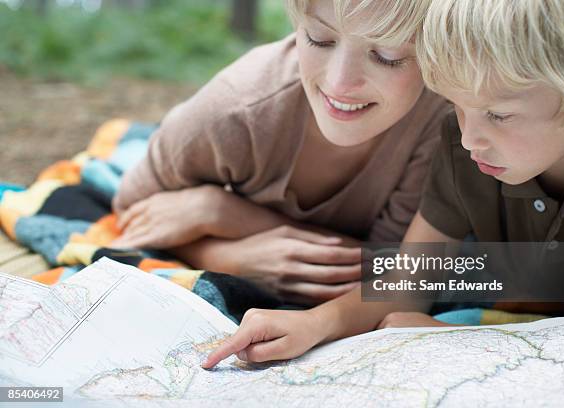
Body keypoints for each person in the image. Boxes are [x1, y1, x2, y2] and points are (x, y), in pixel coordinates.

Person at [202, 0, 564, 367]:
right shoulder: (464, 148)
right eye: (456, 105)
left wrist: (464, 339)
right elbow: (413, 280)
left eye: (499, 115)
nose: (470, 139)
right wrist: (314, 324)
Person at [112, 0, 447, 305]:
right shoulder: (233, 111)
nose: (340, 82)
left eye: (387, 56)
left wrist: (223, 213)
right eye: (318, 38)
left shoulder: (442, 121)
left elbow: (398, 266)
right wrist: (222, 257)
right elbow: (133, 208)